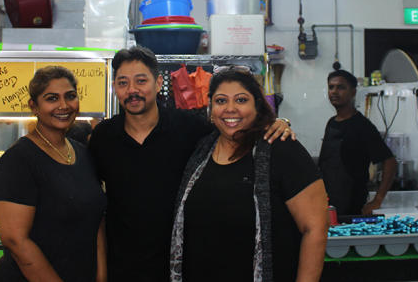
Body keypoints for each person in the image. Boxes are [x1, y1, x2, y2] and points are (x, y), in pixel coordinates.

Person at [88, 46, 293, 282]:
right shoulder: (104, 137)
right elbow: (94, 206)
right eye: (123, 83)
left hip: (184, 267)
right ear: (114, 87)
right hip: (122, 268)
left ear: (157, 83)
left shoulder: (189, 128)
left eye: (141, 81)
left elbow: (236, 128)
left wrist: (276, 123)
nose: (132, 90)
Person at [169, 68, 328, 282]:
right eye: (221, 101)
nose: (230, 109)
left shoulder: (280, 149)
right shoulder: (201, 150)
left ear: (257, 106)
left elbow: (315, 228)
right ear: (211, 108)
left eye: (241, 100)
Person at [0, 66, 107, 282]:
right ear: (34, 106)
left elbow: (96, 221)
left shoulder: (82, 154)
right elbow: (16, 241)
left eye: (70, 96)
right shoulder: (19, 160)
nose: (63, 105)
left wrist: (101, 277)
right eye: (52, 98)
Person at [318, 69, 397, 216]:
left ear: (353, 92)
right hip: (329, 204)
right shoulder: (331, 123)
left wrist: (377, 200)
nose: (334, 91)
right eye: (331, 87)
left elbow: (390, 162)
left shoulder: (362, 126)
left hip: (353, 206)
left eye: (341, 87)